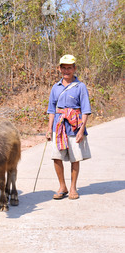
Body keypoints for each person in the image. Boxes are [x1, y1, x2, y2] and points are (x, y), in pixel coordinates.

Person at [46, 54, 91, 200]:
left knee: (74, 158)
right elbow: (52, 110)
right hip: (58, 127)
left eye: (69, 68)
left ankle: (73, 188)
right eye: (64, 68)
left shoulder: (80, 87)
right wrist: (49, 129)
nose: (66, 71)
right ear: (59, 69)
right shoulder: (55, 87)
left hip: (74, 127)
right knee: (56, 157)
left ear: (74, 69)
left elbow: (85, 110)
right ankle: (62, 186)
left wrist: (81, 129)